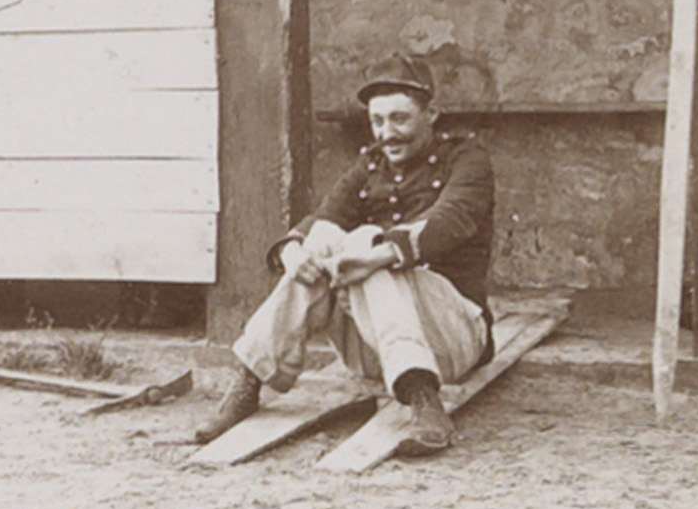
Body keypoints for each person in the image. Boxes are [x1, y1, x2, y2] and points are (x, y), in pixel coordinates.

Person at [191, 54, 494, 454]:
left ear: (431, 114)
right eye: (378, 121)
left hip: (452, 339)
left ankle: (425, 399)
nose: (388, 133)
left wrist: (375, 256)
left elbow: (449, 221)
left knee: (367, 246)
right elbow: (325, 217)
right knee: (323, 241)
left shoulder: (467, 160)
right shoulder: (370, 166)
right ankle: (250, 381)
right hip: (376, 351)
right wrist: (295, 252)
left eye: (400, 119)